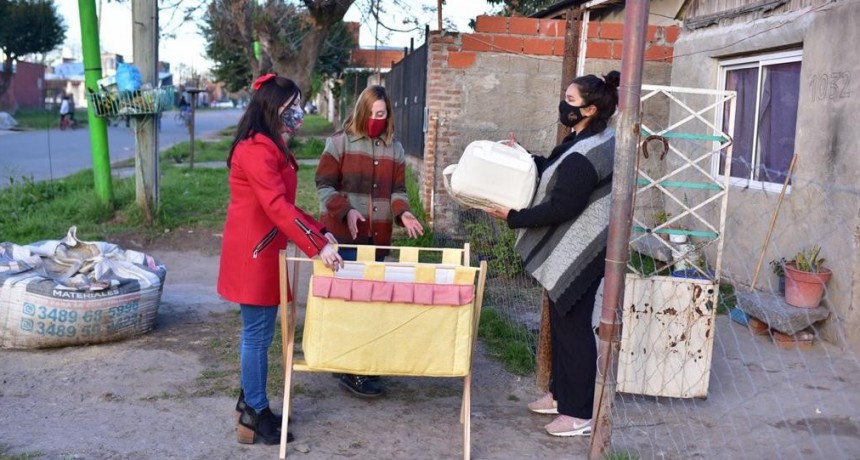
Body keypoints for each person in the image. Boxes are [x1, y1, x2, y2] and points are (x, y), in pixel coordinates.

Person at [486, 71, 620, 437]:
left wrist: (514, 218)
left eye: (571, 101)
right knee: (563, 323)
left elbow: (563, 206)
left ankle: (579, 414)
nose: (564, 105)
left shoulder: (588, 151)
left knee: (574, 328)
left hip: (584, 252)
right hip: (581, 248)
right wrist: (523, 155)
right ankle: (561, 396)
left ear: (590, 109)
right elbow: (551, 170)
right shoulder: (581, 139)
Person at [217, 73, 344, 446]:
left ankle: (249, 404)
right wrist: (317, 246)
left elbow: (284, 207)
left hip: (263, 248)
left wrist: (320, 234)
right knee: (257, 336)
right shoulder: (257, 149)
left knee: (259, 334)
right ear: (273, 108)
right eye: (292, 106)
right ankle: (255, 412)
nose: (298, 112)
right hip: (253, 254)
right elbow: (276, 207)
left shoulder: (268, 145)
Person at [315, 85, 424, 398]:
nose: (377, 119)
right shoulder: (338, 143)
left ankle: (360, 364)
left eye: (383, 113)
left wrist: (403, 214)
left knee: (371, 301)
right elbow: (323, 185)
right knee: (346, 302)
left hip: (377, 237)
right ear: (361, 111)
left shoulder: (396, 149)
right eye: (372, 113)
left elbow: (398, 193)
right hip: (344, 236)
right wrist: (345, 210)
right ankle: (352, 367)